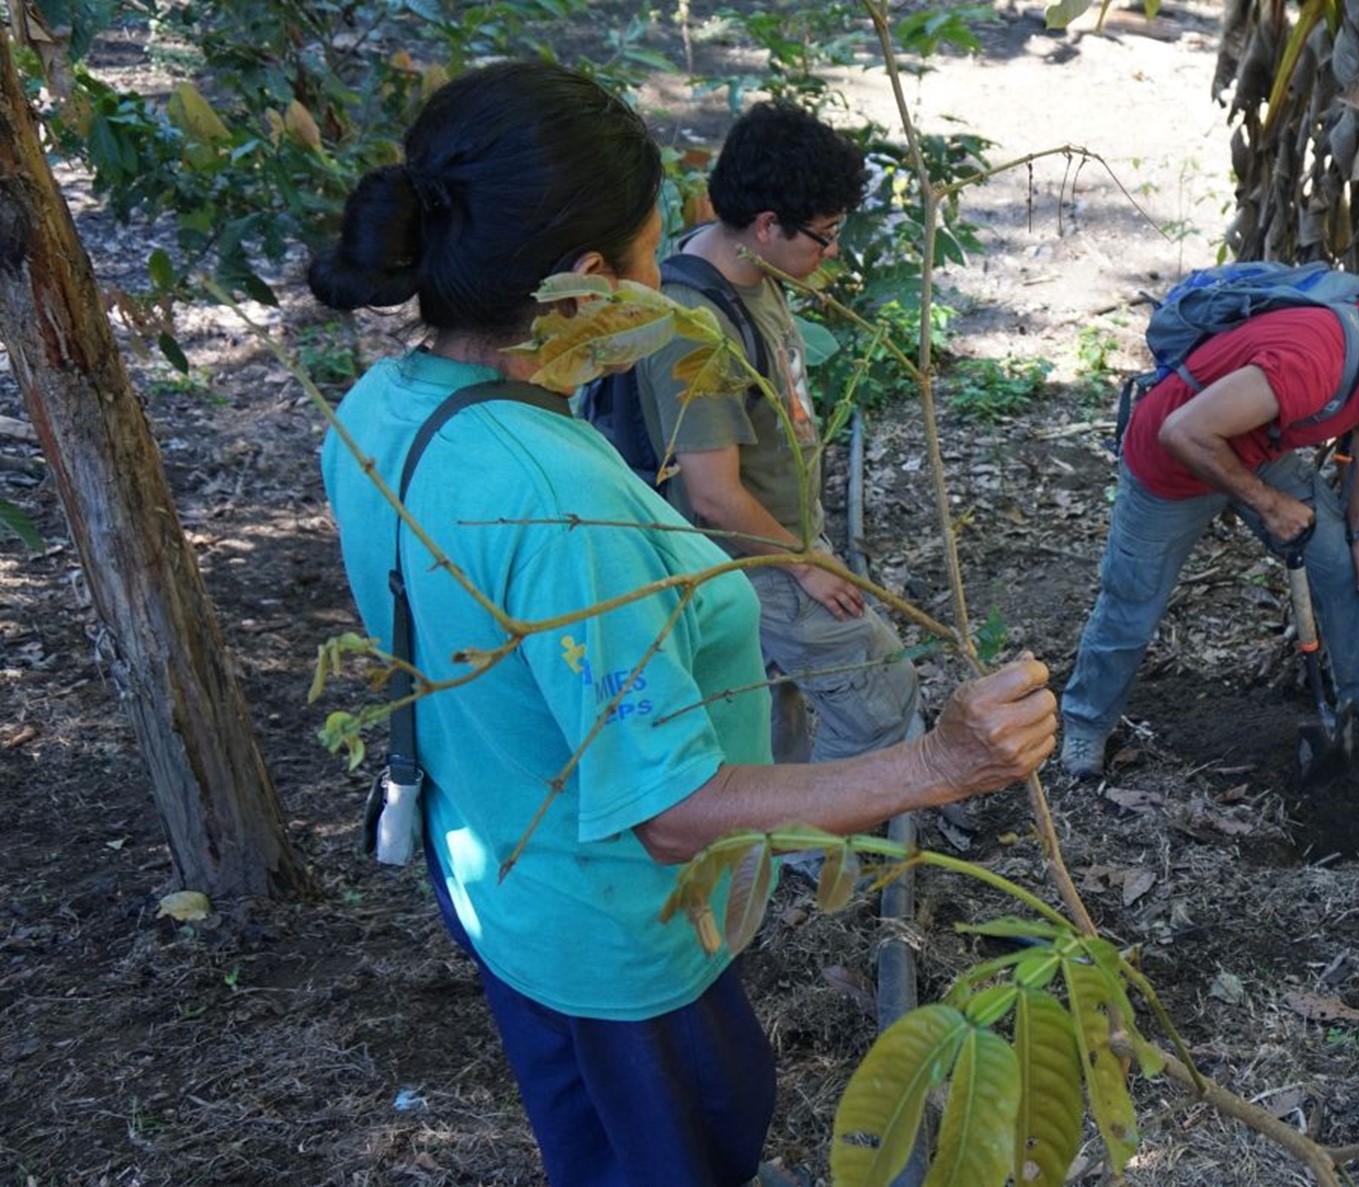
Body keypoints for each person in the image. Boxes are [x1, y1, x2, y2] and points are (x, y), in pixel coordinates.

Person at [311, 62, 1055, 1187]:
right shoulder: (568, 510)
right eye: (659, 253)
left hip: (501, 882)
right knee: (676, 1148)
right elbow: (671, 812)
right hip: (614, 932)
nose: (670, 285)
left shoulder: (379, 409)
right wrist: (942, 763)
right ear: (585, 285)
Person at [1059, 285, 1359, 779]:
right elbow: (1183, 433)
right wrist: (1268, 502)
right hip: (1171, 466)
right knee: (1132, 608)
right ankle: (1086, 725)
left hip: (1253, 450)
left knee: (1345, 565)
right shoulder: (1312, 359)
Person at [633, 102, 920, 765]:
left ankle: (778, 840)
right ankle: (817, 851)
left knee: (773, 707)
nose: (833, 250)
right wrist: (804, 564)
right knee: (884, 700)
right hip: (754, 556)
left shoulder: (746, 266)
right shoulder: (693, 329)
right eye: (825, 234)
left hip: (786, 539)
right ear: (767, 226)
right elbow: (712, 494)